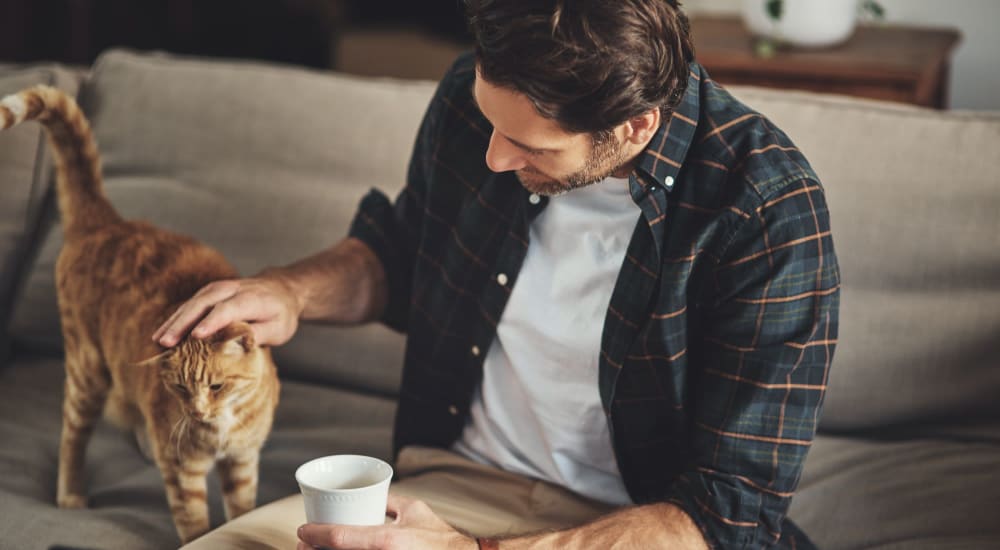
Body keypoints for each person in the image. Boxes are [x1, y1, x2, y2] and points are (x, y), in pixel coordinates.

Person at [156, 1, 839, 548]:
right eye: (490, 123)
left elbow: (727, 515)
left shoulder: (765, 209)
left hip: (637, 524)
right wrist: (290, 292)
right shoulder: (472, 92)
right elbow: (401, 252)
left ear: (634, 127)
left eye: (529, 145)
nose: (492, 158)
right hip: (448, 483)